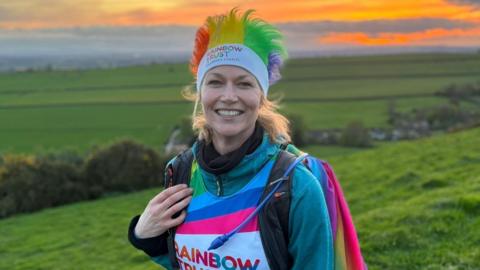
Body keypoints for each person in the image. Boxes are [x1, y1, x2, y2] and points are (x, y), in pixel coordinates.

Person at [128, 8, 333, 269]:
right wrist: (144, 236)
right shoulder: (180, 171)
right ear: (200, 93)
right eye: (215, 82)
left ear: (261, 97)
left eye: (244, 83)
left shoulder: (295, 188)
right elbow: (189, 260)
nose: (228, 96)